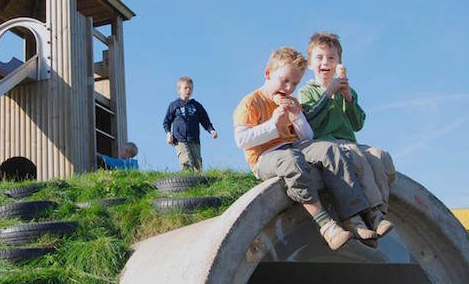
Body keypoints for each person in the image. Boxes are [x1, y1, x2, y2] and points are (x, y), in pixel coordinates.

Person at [233, 46, 377, 250]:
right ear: (268, 74)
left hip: (295, 146)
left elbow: (307, 136)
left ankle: (353, 217)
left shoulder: (292, 100)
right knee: (292, 161)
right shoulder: (251, 102)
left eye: (294, 83)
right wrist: (273, 125)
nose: (289, 88)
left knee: (329, 149)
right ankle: (326, 224)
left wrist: (296, 116)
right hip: (265, 156)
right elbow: (242, 140)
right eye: (284, 81)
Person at [298, 32, 395, 237]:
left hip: (349, 142)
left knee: (379, 156)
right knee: (357, 158)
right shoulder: (307, 92)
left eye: (331, 58)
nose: (326, 62)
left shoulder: (346, 91)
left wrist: (348, 97)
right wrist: (328, 93)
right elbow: (310, 123)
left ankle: (380, 214)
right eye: (320, 57)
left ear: (339, 63)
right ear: (309, 64)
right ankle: (369, 213)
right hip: (326, 144)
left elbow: (358, 123)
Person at [163, 76, 217, 172]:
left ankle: (198, 185)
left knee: (197, 165)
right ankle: (185, 182)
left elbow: (205, 120)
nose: (188, 90)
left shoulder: (196, 106)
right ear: (179, 90)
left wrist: (211, 130)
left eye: (190, 88)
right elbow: (166, 121)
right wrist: (168, 134)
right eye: (185, 88)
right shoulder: (174, 105)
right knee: (186, 161)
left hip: (194, 139)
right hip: (179, 139)